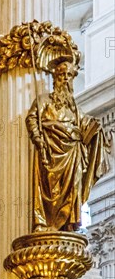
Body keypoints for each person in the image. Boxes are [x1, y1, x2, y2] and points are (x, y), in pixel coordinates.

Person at [26, 56, 110, 232]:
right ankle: (47, 222)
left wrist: (94, 128)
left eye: (69, 76)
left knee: (74, 186)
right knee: (49, 187)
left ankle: (69, 222)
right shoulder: (44, 101)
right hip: (51, 150)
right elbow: (32, 118)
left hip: (72, 154)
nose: (65, 79)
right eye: (62, 75)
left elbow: (84, 124)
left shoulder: (74, 108)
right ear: (55, 78)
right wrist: (38, 138)